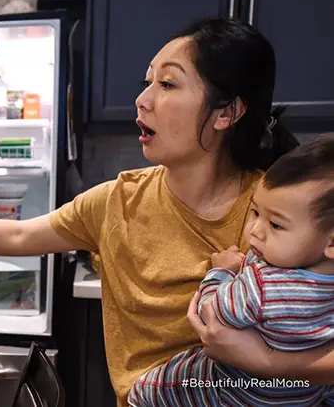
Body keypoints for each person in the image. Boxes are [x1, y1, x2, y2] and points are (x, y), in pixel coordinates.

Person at [0, 17, 306, 406]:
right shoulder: (117, 201)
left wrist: (268, 366)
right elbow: (18, 236)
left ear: (227, 112)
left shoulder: (274, 209)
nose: (142, 100)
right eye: (148, 82)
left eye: (168, 85)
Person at [128, 134, 334, 407]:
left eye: (277, 225)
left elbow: (211, 314)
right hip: (296, 398)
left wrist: (221, 273)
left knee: (153, 388)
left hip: (225, 392)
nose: (254, 231)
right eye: (256, 213)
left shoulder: (262, 286)